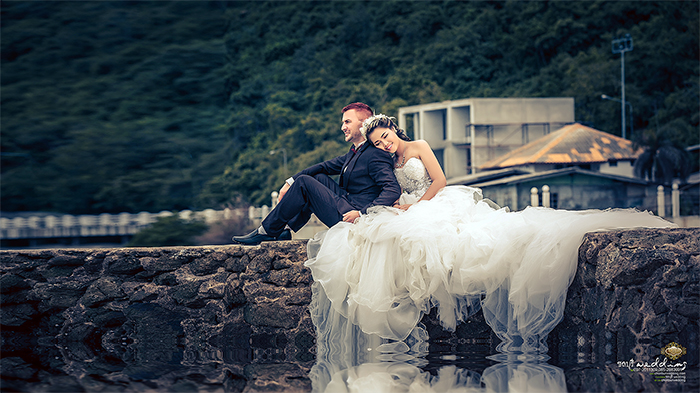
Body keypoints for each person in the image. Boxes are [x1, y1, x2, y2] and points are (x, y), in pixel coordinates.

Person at [305, 114, 675, 354]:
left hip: (434, 200)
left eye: (385, 137)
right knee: (391, 240)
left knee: (464, 240)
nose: (383, 145)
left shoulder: (418, 147)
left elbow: (440, 180)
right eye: (377, 143)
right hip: (408, 206)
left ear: (394, 131)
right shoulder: (386, 160)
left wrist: (417, 206)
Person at [232, 103, 401, 246]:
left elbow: (392, 189)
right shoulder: (356, 152)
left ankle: (267, 231)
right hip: (348, 203)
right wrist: (290, 182)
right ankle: (284, 229)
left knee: (305, 182)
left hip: (353, 216)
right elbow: (323, 166)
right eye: (343, 123)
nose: (343, 127)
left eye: (347, 122)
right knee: (317, 177)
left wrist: (362, 213)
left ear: (363, 123)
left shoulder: (375, 154)